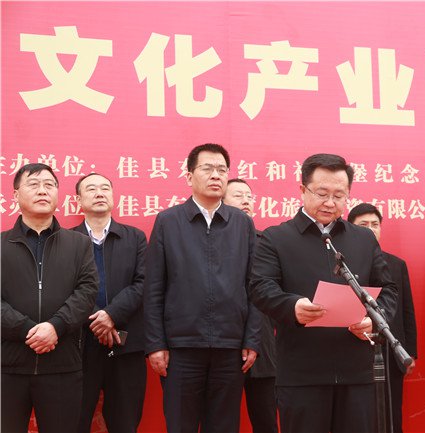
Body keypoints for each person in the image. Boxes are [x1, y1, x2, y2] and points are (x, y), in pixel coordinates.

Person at [250, 153, 398, 433]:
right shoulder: (276, 238)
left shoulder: (363, 239)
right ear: (302, 189)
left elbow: (388, 289)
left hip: (356, 372)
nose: (330, 202)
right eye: (322, 193)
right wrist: (292, 307)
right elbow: (260, 287)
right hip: (302, 374)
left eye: (339, 196)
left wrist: (374, 320)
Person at [144, 143, 261, 433]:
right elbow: (154, 287)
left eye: (222, 169)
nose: (215, 175)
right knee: (180, 425)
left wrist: (252, 339)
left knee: (224, 425)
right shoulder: (168, 221)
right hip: (181, 348)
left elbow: (255, 287)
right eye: (207, 168)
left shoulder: (242, 224)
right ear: (189, 176)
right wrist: (156, 344)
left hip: (230, 348)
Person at [1, 163, 98, 433]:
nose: (43, 191)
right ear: (15, 195)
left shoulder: (79, 244)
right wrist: (26, 329)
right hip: (7, 366)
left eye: (49, 185)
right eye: (33, 184)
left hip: (62, 366)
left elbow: (87, 290)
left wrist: (55, 326)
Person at [73, 173, 148, 433]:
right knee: (74, 420)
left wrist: (112, 314)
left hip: (126, 345)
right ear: (78, 200)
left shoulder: (135, 237)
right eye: (91, 189)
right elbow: (65, 289)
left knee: (125, 422)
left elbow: (143, 283)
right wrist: (97, 320)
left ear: (114, 197)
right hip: (79, 346)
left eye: (105, 188)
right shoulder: (65, 239)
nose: (99, 193)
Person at [347, 202, 417, 433]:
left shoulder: (396, 264)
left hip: (390, 352)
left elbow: (407, 310)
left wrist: (409, 352)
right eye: (363, 224)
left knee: (391, 414)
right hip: (353, 352)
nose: (370, 229)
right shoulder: (342, 264)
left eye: (375, 224)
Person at [224, 178, 278, 433]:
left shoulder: (267, 242)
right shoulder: (210, 242)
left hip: (263, 342)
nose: (246, 200)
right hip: (223, 340)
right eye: (238, 195)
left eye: (249, 196)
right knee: (222, 418)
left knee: (266, 418)